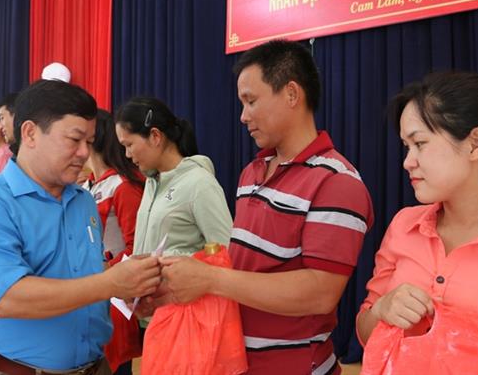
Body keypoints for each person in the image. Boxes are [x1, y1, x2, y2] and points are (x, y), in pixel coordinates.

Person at [158, 39, 374, 374]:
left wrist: (211, 278)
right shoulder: (251, 173)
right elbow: (246, 270)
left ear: (291, 94)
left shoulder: (336, 182)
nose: (243, 116)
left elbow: (319, 293)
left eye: (251, 101)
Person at [0, 80, 161, 375]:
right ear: (30, 133)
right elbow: (8, 298)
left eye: (89, 142)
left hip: (95, 366)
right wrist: (111, 283)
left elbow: (83, 273)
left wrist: (128, 290)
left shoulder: (83, 200)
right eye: (74, 139)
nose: (84, 152)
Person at [356, 71, 478, 375]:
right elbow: (368, 335)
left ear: (475, 144)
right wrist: (382, 309)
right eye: (406, 146)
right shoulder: (403, 226)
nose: (407, 162)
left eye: (420, 143)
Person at [115, 97, 232, 258]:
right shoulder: (152, 182)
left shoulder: (200, 184)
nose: (127, 154)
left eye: (129, 145)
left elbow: (226, 252)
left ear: (155, 136)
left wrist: (167, 261)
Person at [84, 109, 145, 375]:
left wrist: (107, 272)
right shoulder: (86, 186)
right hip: (87, 296)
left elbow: (137, 247)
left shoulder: (122, 185)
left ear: (92, 138)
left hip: (115, 300)